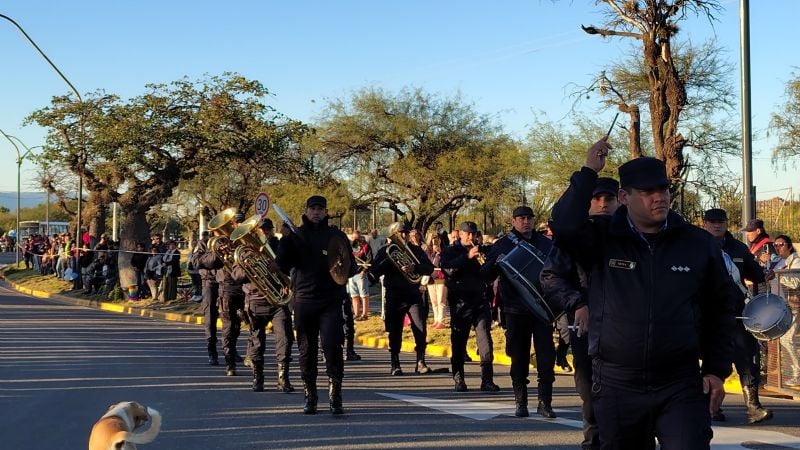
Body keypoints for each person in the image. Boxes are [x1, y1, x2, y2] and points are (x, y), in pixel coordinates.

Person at [550, 139, 737, 449]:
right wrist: (587, 172)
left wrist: (717, 370)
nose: (659, 198)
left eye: (663, 190)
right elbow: (564, 226)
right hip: (616, 383)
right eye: (648, 192)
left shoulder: (697, 243)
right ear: (625, 197)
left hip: (680, 383)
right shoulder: (602, 237)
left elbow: (721, 308)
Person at [541, 176, 619, 446]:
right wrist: (577, 303)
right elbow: (550, 276)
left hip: (628, 328)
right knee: (591, 395)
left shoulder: (632, 235)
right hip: (587, 328)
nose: (602, 204)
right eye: (596, 199)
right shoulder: (572, 238)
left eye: (608, 198)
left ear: (620, 200)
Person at [276, 195, 357, 415]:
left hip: (330, 299)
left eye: (320, 209)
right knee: (306, 350)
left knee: (332, 347)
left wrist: (341, 267)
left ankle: (335, 394)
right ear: (307, 210)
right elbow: (281, 264)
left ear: (326, 211)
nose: (316, 212)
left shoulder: (336, 235)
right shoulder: (296, 235)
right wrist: (284, 239)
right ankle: (310, 395)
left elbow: (352, 267)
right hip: (304, 299)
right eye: (313, 208)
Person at [481, 205, 556, 418]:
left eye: (529, 218)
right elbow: (484, 274)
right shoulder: (503, 244)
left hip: (542, 309)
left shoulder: (546, 243)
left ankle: (545, 403)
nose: (526, 222)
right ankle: (520, 402)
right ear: (513, 221)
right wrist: (496, 263)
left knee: (546, 357)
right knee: (519, 357)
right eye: (521, 218)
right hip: (515, 309)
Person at [702, 208, 772, 423]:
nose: (717, 225)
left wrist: (763, 272)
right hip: (707, 315)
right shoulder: (696, 246)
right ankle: (710, 408)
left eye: (720, 221)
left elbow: (756, 274)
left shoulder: (739, 248)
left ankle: (753, 407)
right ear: (704, 223)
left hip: (737, 314)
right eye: (712, 221)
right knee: (710, 360)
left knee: (747, 358)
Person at [231, 217, 296, 393]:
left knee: (285, 338)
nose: (265, 232)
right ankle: (258, 378)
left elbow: (291, 267)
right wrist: (247, 265)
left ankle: (283, 379)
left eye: (268, 229)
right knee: (257, 341)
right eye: (261, 230)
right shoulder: (243, 251)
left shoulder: (279, 246)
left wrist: (284, 278)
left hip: (277, 301)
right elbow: (236, 276)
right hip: (255, 300)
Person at [440, 221, 500, 393]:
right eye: (468, 234)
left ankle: (487, 380)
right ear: (460, 234)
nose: (472, 237)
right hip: (460, 302)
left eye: (474, 234)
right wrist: (467, 257)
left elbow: (489, 273)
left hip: (480, 300)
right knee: (459, 340)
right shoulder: (450, 251)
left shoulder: (481, 250)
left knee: (485, 339)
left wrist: (489, 264)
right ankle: (459, 378)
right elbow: (448, 270)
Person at [370, 222, 435, 375]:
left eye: (405, 232)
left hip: (413, 294)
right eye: (400, 233)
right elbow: (374, 272)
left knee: (420, 328)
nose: (404, 235)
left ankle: (420, 361)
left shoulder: (415, 250)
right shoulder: (385, 251)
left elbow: (429, 268)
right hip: (394, 295)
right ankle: (395, 363)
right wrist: (389, 261)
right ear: (392, 234)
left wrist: (415, 267)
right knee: (395, 331)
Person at [190, 230, 221, 365]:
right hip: (210, 283)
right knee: (210, 316)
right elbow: (196, 262)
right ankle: (212, 349)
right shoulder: (204, 243)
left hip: (228, 283)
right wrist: (215, 254)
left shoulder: (232, 242)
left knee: (233, 318)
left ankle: (231, 349)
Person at [774, 234, 800, 387]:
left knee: (787, 339)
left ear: (789, 246)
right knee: (784, 339)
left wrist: (778, 276)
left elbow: (796, 282)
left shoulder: (796, 261)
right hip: (788, 306)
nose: (778, 247)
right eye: (775, 245)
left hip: (797, 306)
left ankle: (797, 374)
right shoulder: (782, 262)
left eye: (781, 244)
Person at [425, 235, 448, 329]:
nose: (435, 243)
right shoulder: (428, 253)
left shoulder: (444, 253)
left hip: (440, 278)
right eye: (433, 241)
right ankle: (436, 319)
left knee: (441, 300)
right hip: (431, 279)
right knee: (434, 301)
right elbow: (428, 264)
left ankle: (441, 320)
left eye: (437, 241)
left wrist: (439, 253)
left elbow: (444, 264)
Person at [349, 230, 372, 322]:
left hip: (361, 274)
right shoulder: (350, 247)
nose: (355, 239)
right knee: (354, 295)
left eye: (357, 238)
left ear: (360, 237)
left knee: (364, 295)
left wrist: (364, 270)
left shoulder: (365, 246)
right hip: (352, 274)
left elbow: (370, 259)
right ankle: (356, 313)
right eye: (354, 238)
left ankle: (364, 314)